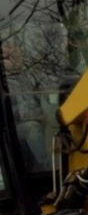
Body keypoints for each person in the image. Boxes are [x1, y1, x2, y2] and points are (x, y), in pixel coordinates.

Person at [1, 41, 49, 172]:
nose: (13, 60)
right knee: (33, 128)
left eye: (15, 55)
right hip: (13, 127)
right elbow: (7, 113)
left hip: (39, 116)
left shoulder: (29, 75)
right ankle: (46, 165)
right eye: (7, 58)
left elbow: (45, 93)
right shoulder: (4, 82)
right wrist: (31, 113)